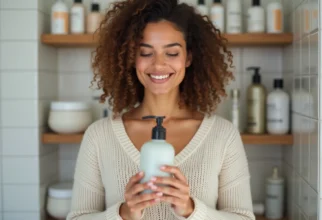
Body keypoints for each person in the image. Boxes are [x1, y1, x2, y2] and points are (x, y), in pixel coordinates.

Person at [67, 0, 255, 219]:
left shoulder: (223, 135)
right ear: (131, 57)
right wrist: (123, 214)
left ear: (189, 57)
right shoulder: (99, 136)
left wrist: (192, 210)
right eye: (146, 53)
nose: (158, 65)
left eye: (172, 53)